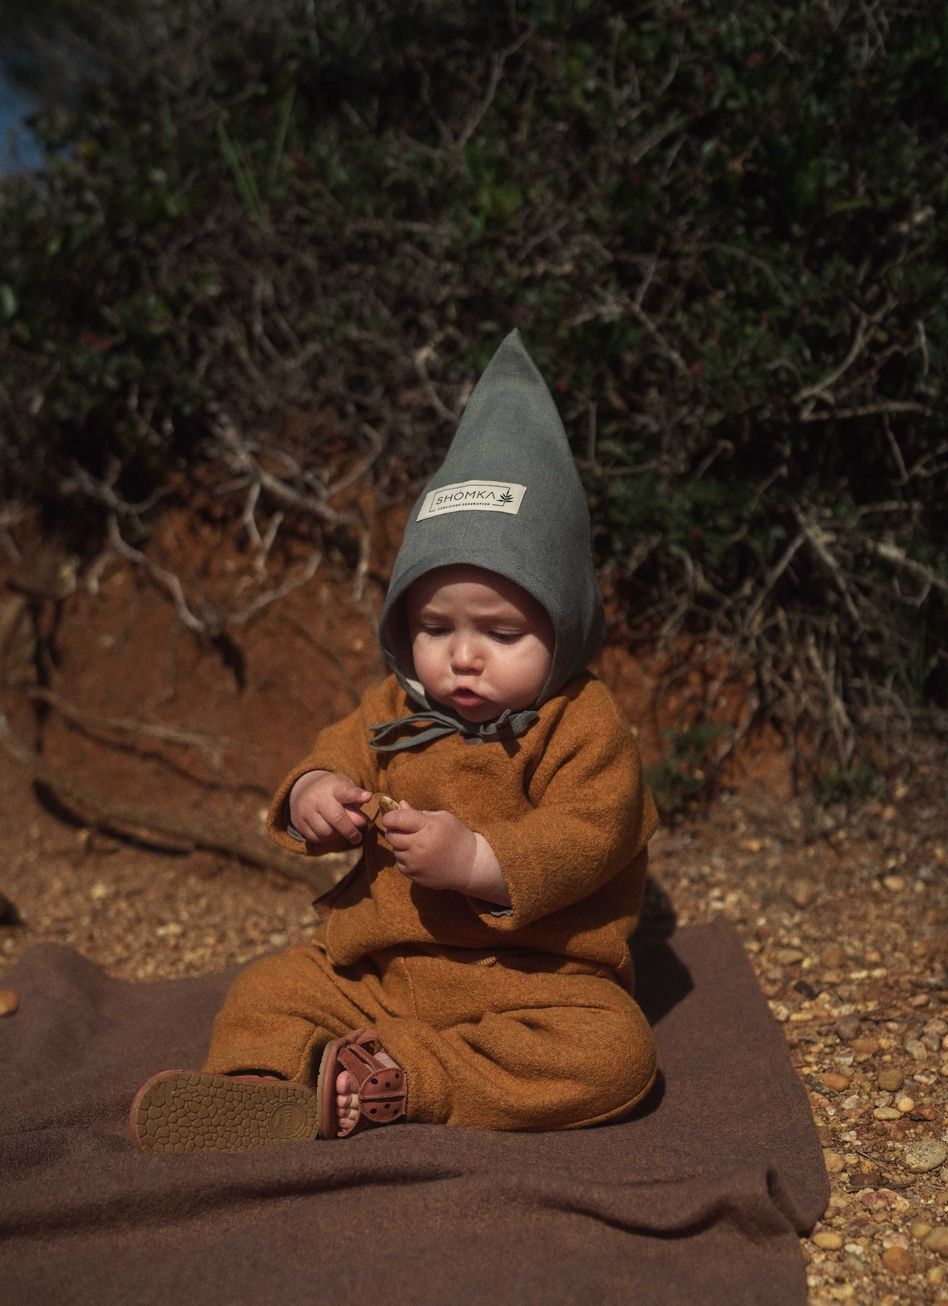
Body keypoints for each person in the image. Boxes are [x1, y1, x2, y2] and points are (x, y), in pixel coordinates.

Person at [130, 330, 660, 1152]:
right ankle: (265, 1089)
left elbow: (593, 833)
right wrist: (315, 798)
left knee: (616, 1056)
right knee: (270, 985)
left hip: (533, 981)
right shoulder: (393, 704)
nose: (463, 655)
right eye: (435, 626)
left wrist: (479, 862)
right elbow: (334, 753)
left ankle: (402, 1081)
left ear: (565, 628)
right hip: (381, 978)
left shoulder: (582, 722)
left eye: (501, 630)